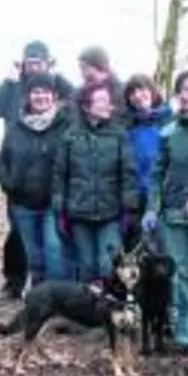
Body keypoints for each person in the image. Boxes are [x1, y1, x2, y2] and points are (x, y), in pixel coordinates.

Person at [0, 41, 76, 298]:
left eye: (39, 62)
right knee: (21, 241)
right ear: (23, 63)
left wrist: (55, 74)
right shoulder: (15, 89)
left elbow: (75, 97)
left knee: (53, 247)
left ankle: (57, 298)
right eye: (30, 62)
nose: (34, 66)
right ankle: (18, 283)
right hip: (21, 187)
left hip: (52, 194)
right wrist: (9, 183)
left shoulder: (60, 104)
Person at [143, 69, 188, 352]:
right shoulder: (168, 132)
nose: (186, 95)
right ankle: (184, 334)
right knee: (181, 274)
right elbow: (157, 174)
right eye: (181, 90)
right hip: (172, 214)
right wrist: (152, 208)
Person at [53, 82, 139, 281]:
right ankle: (89, 310)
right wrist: (60, 211)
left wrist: (129, 209)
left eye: (109, 101)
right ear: (86, 106)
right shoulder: (71, 135)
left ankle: (111, 308)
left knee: (108, 265)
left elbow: (128, 173)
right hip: (79, 213)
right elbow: (60, 175)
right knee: (87, 266)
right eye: (101, 100)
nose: (107, 105)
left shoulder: (119, 134)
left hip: (110, 213)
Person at [121, 74, 171, 250]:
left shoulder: (169, 120)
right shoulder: (127, 126)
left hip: (163, 199)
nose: (137, 95)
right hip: (136, 200)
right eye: (132, 92)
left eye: (141, 89)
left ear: (152, 91)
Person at [75, 46, 130, 128]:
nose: (82, 74)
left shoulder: (124, 93)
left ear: (100, 66)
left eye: (84, 68)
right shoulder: (79, 95)